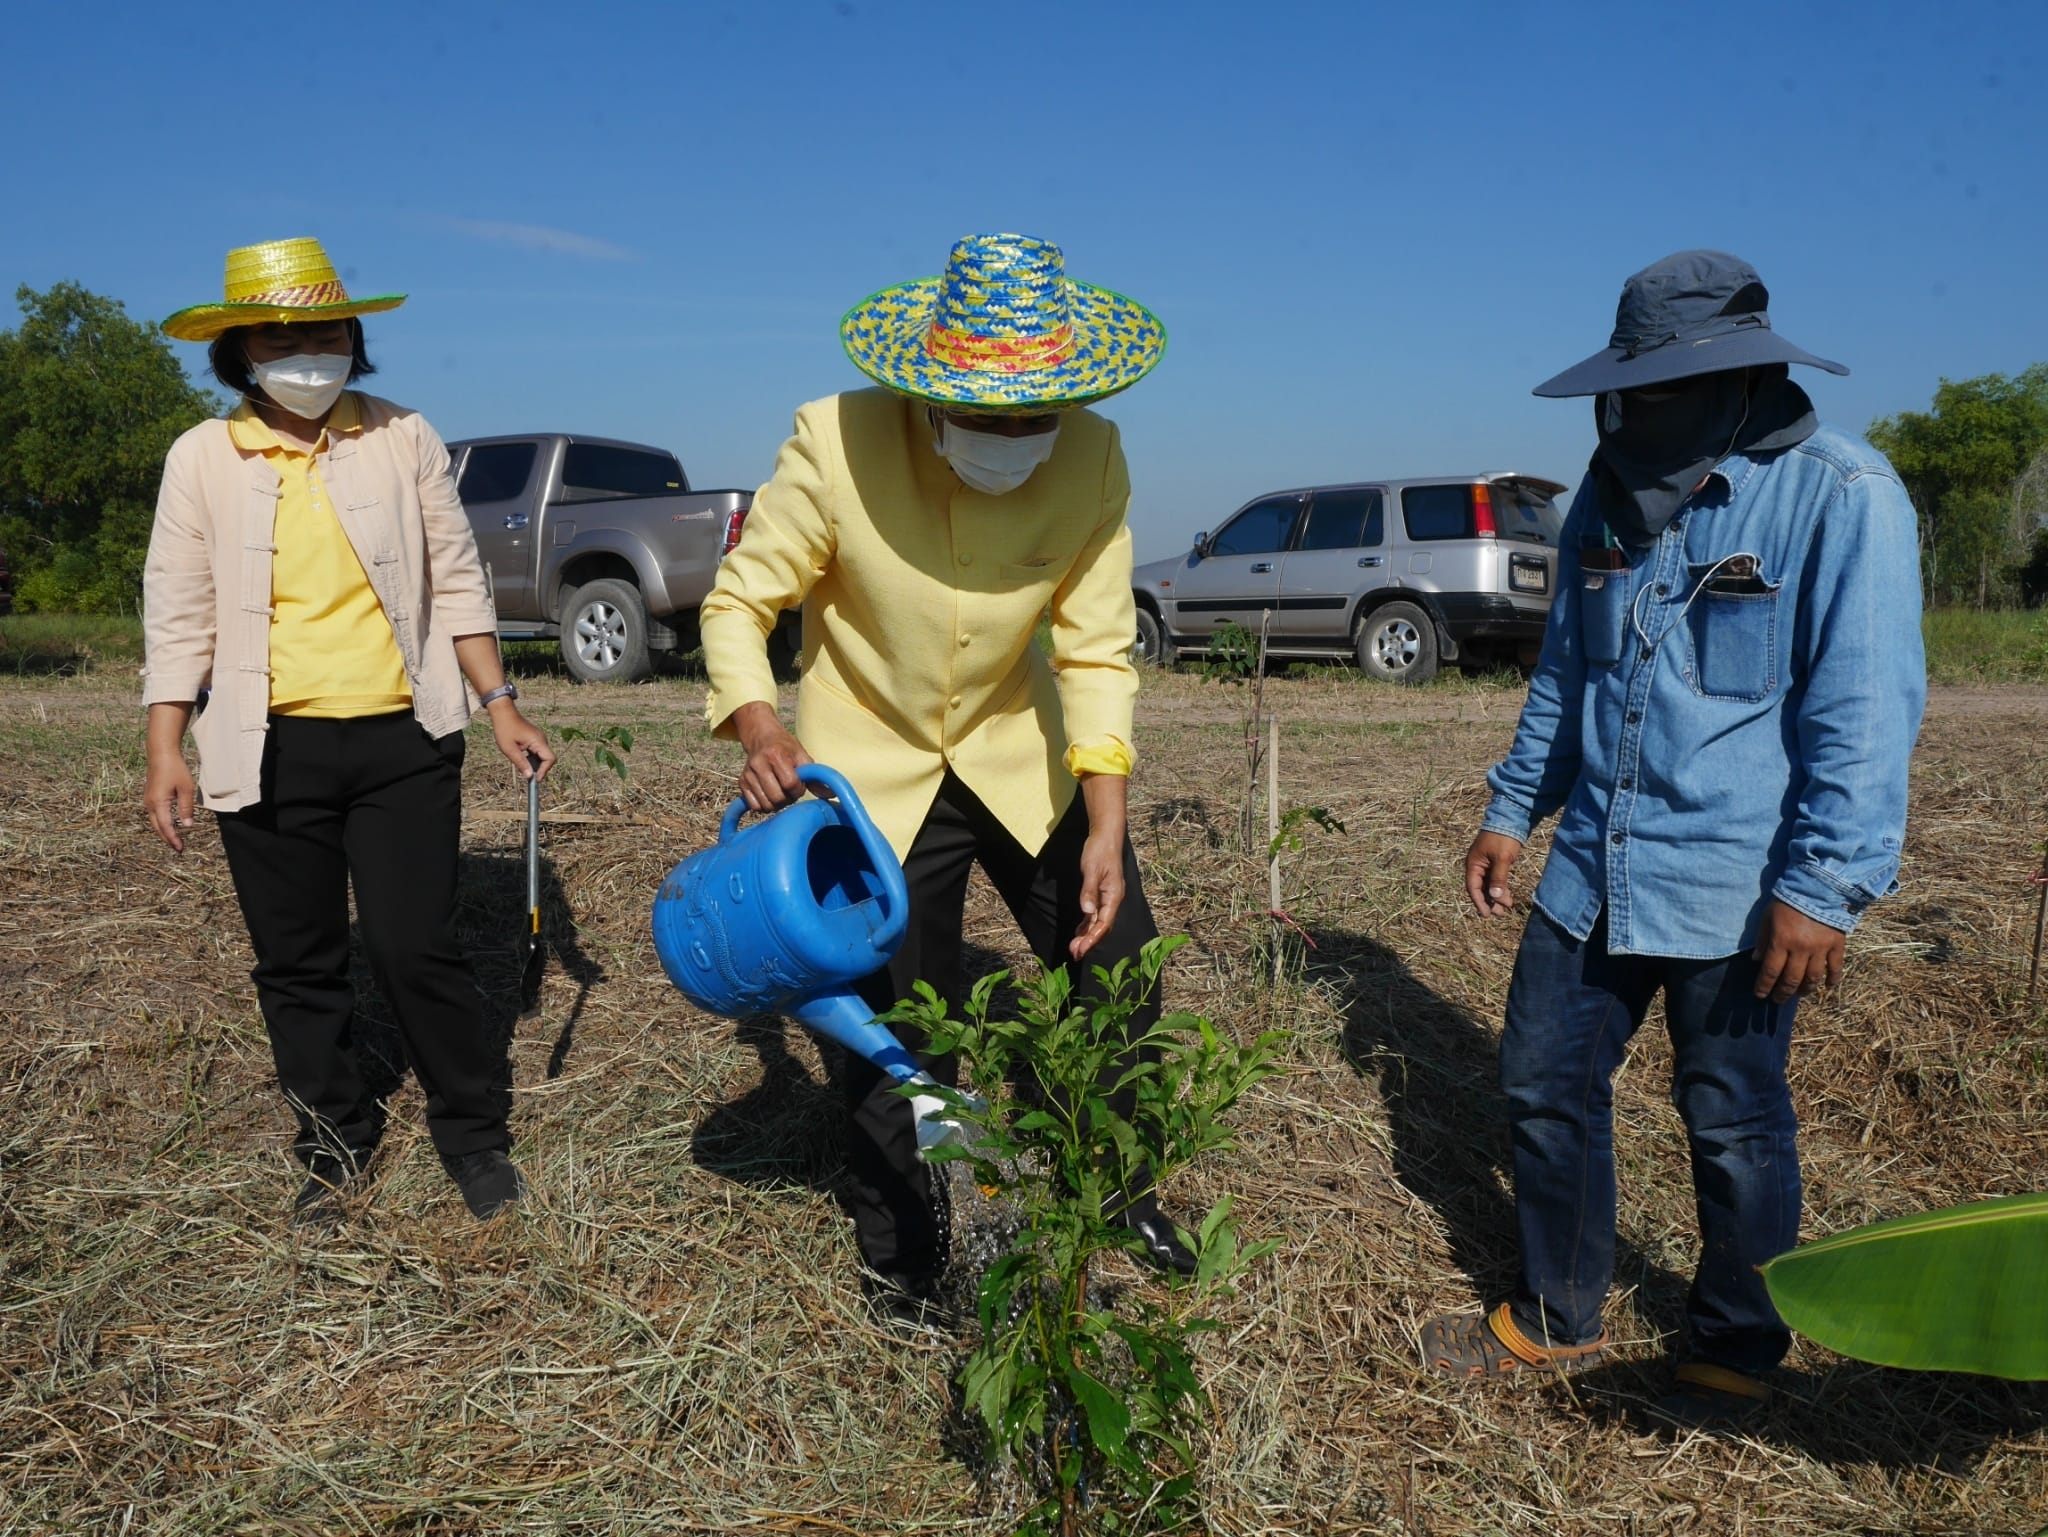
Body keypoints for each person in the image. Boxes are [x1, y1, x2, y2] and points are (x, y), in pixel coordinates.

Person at [1420, 250, 1925, 1425]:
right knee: (1541, 1079)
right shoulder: (1606, 494)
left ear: (1733, 377)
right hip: (1592, 865)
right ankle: (1558, 1310)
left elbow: (1861, 712)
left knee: (1732, 1119)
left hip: (1737, 887)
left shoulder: (1840, 496)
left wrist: (1821, 888)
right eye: (1625, 391)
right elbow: (1565, 671)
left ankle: (1734, 1340)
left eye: (1657, 390)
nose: (1632, 413)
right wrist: (1510, 810)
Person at [699, 232, 1191, 1330]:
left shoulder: (1094, 458)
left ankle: (1117, 1194)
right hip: (874, 775)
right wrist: (760, 722)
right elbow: (740, 602)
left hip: (1020, 756)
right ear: (927, 393)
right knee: (898, 1027)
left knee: (1120, 969)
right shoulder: (835, 440)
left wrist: (1106, 826)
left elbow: (1096, 650)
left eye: (1035, 417)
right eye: (988, 416)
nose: (1015, 439)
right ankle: (905, 1256)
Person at [143, 238, 554, 1228]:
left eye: (326, 334)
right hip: (266, 746)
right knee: (298, 960)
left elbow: (457, 576)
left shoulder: (402, 436)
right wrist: (165, 746)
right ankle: (333, 1143)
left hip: (401, 741)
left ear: (353, 340)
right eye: (281, 340)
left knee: (415, 947)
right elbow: (179, 609)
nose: (308, 356)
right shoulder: (203, 458)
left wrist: (499, 702)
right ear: (241, 352)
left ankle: (473, 1134)